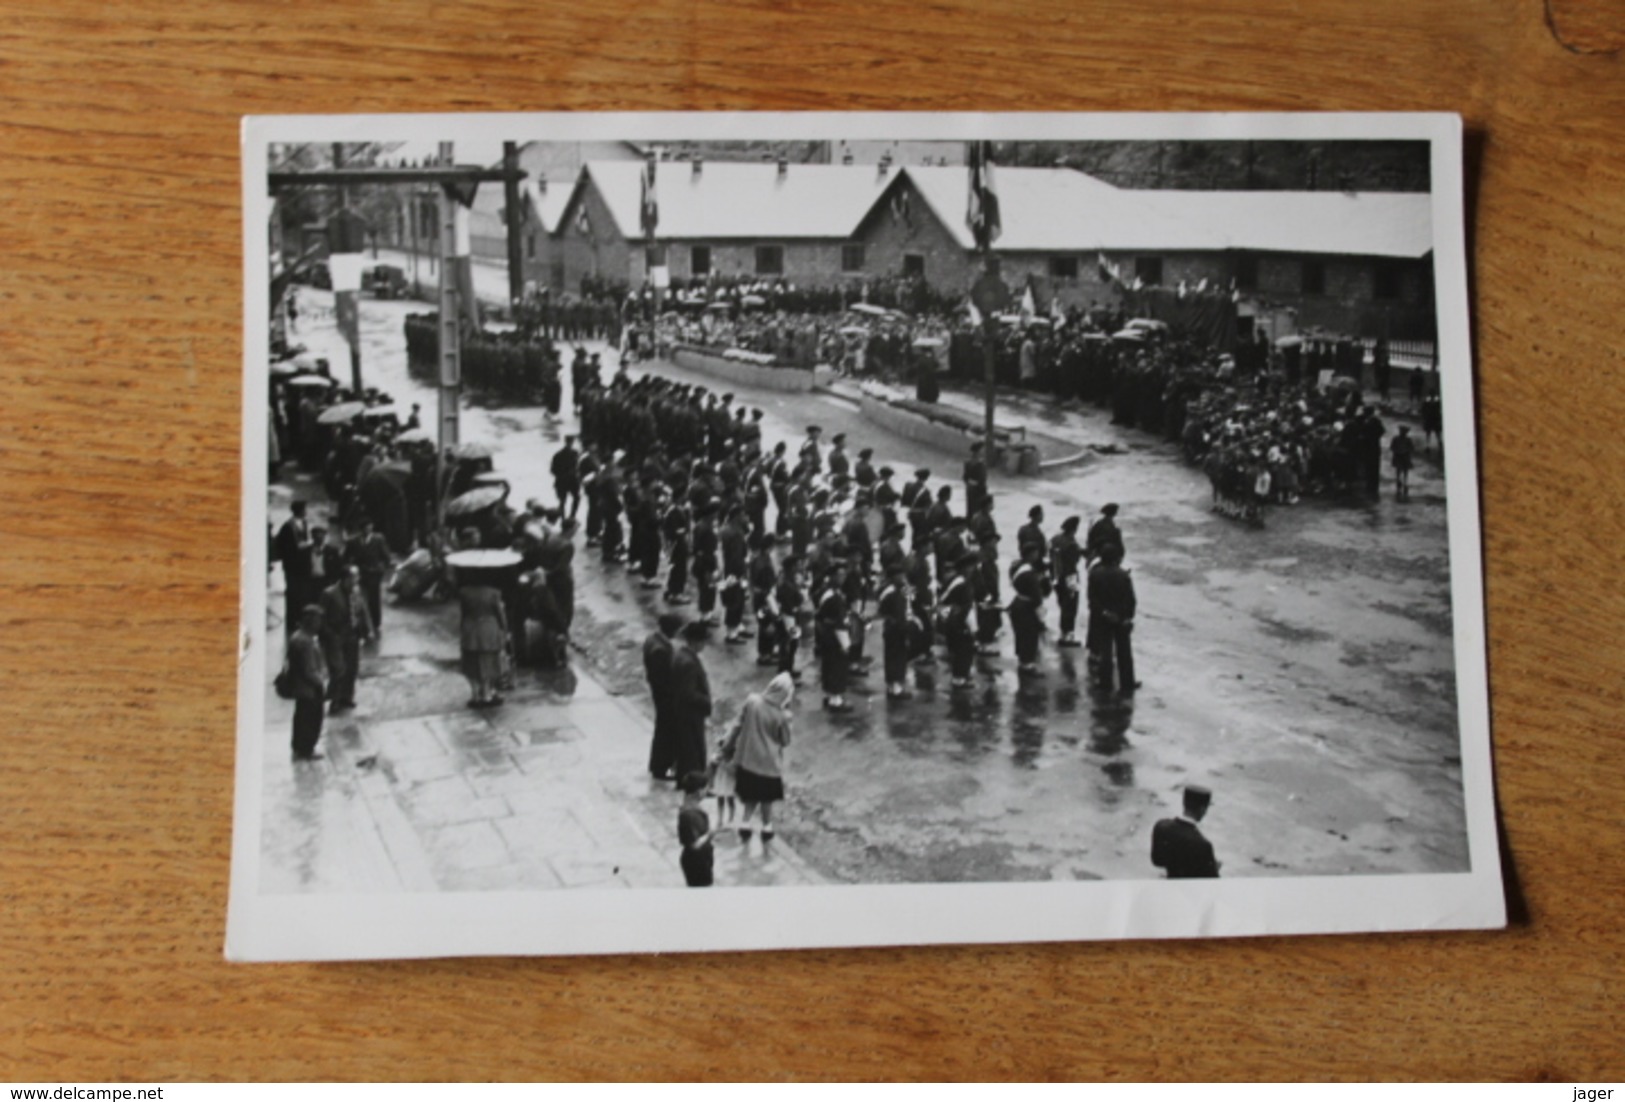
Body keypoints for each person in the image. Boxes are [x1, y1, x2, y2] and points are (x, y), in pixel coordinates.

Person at [730, 671, 795, 849]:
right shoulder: (782, 715)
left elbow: (737, 724)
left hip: (748, 760)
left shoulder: (752, 702)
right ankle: (767, 827)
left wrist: (728, 746)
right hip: (769, 764)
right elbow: (785, 741)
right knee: (766, 798)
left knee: (751, 794)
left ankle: (745, 822)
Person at [318, 565, 373, 714]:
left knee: (352, 668)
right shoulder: (329, 594)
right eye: (354, 577)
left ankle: (346, 697)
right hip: (335, 636)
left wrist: (368, 630)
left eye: (357, 577)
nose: (357, 580)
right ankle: (334, 700)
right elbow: (321, 618)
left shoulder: (356, 591)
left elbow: (363, 610)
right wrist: (328, 634)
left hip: (352, 635)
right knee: (338, 669)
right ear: (345, 578)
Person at [1087, 544, 1138, 695]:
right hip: (1121, 618)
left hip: (1103, 618)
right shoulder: (1123, 575)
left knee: (1106, 651)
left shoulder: (1095, 574)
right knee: (1124, 652)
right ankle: (1127, 682)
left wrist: (1103, 612)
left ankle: (1105, 682)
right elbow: (1130, 600)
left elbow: (1092, 599)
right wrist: (1127, 616)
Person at [668, 620, 715, 780]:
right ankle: (694, 784)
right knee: (694, 752)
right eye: (703, 641)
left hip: (683, 712)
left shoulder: (681, 656)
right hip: (690, 715)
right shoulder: (689, 662)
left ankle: (688, 779)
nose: (704, 645)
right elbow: (688, 693)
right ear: (696, 641)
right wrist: (706, 702)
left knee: (688, 750)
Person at [643, 612, 684, 781]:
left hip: (661, 695)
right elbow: (662, 679)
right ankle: (660, 767)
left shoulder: (653, 640)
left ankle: (661, 765)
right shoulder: (660, 650)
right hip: (665, 697)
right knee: (666, 731)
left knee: (664, 729)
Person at [458, 576, 509, 708]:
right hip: (488, 631)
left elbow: (464, 613)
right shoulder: (494, 593)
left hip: (470, 631)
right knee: (489, 664)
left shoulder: (464, 592)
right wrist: (505, 629)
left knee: (471, 664)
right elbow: (500, 615)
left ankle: (475, 695)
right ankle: (487, 695)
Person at [286, 604, 328, 761]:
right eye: (318, 621)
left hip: (301, 688)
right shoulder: (305, 642)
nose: (320, 625)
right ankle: (306, 749)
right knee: (311, 720)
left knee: (301, 717)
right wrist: (321, 681)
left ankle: (299, 747)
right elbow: (309, 670)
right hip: (309, 689)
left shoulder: (298, 636)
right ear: (310, 622)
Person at [1151, 785, 1220, 878]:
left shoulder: (1161, 826)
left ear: (1184, 802)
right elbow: (1212, 881)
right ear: (1203, 809)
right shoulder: (1203, 845)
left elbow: (1157, 861)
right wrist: (1213, 867)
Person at [677, 771, 724, 888]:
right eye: (705, 789)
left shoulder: (688, 806)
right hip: (697, 862)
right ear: (698, 791)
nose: (707, 792)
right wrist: (711, 833)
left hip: (699, 859)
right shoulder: (690, 814)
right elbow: (694, 844)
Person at [274, 501, 313, 639]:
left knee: (302, 592)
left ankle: (300, 617)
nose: (306, 512)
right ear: (299, 510)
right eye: (304, 509)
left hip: (302, 565)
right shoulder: (287, 526)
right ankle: (292, 620)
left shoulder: (304, 523)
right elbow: (284, 546)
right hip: (292, 565)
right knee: (292, 591)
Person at [349, 516, 392, 634]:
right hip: (359, 573)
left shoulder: (379, 539)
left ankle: (376, 623)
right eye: (365, 528)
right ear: (361, 529)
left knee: (374, 598)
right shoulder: (354, 541)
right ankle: (360, 623)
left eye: (370, 527)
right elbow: (347, 556)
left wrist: (382, 568)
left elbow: (386, 556)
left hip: (374, 573)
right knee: (359, 598)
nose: (368, 530)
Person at [1049, 516, 1085, 647]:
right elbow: (1074, 561)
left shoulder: (1055, 539)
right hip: (1070, 577)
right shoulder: (1071, 543)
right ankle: (1067, 635)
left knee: (1063, 604)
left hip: (1056, 576)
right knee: (1071, 605)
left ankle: (1064, 632)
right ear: (1074, 529)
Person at [551, 436, 582, 521]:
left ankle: (564, 519)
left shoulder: (558, 455)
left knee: (563, 501)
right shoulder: (575, 454)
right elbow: (578, 468)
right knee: (575, 498)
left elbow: (553, 470)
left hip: (563, 481)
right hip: (571, 480)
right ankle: (571, 516)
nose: (570, 444)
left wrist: (561, 474)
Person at [963, 441, 989, 518]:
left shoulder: (967, 462)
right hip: (979, 491)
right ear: (978, 451)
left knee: (970, 509)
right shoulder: (981, 464)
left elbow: (965, 477)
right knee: (978, 511)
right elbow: (983, 480)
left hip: (970, 489)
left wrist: (970, 484)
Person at [1391, 424, 1415, 501]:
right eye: (1401, 431)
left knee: (1405, 470)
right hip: (1398, 456)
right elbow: (1392, 447)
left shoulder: (1408, 440)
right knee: (1399, 470)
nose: (1402, 433)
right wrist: (1397, 451)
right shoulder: (1396, 439)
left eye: (1404, 432)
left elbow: (1412, 448)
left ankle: (1405, 482)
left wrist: (1406, 451)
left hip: (1405, 456)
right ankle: (1399, 481)